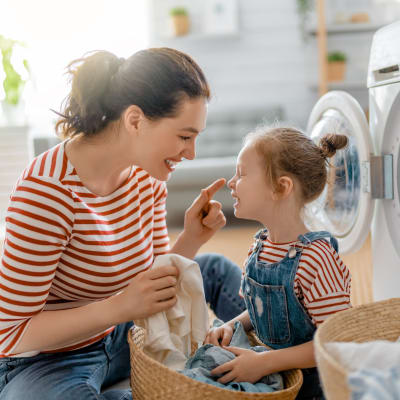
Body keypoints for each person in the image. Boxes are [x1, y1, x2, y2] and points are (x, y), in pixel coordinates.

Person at [0, 48, 245, 400]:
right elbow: (13, 331)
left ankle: (267, 352)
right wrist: (119, 307)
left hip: (122, 333)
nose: (191, 153)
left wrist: (191, 238)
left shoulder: (147, 178)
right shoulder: (47, 192)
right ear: (134, 121)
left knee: (214, 268)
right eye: (184, 136)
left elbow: (151, 282)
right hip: (45, 359)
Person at [204, 127, 352, 399]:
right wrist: (231, 325)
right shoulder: (259, 247)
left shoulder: (316, 259)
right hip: (272, 376)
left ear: (281, 187)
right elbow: (262, 309)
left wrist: (264, 363)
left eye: (242, 173)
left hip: (314, 388)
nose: (232, 182)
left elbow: (335, 341)